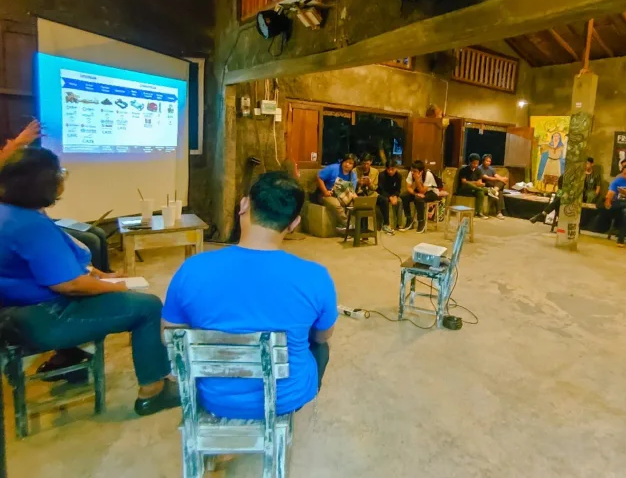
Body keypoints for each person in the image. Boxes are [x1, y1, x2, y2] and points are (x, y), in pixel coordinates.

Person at [0, 147, 179, 416]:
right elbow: (68, 284)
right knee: (148, 306)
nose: (63, 178)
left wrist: (98, 275)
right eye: (59, 173)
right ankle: (152, 391)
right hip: (44, 317)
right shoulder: (30, 226)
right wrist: (111, 287)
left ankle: (67, 358)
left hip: (17, 311)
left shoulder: (11, 212)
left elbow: (59, 259)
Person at [162, 172, 337, 419]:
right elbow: (322, 336)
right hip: (284, 398)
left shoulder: (192, 269)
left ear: (244, 205)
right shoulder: (316, 277)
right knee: (320, 344)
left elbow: (170, 337)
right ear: (294, 223)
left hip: (211, 396)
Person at [315, 154, 358, 230]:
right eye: (346, 162)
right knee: (336, 205)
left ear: (353, 166)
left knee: (355, 204)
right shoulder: (333, 168)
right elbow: (319, 177)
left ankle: (359, 228)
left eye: (350, 163)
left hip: (342, 196)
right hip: (327, 194)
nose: (347, 164)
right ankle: (347, 224)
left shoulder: (353, 175)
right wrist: (325, 191)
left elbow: (352, 190)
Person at [400, 160, 441, 233]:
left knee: (418, 199)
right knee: (404, 196)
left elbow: (423, 191)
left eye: (415, 171)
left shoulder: (428, 175)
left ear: (421, 171)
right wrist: (415, 194)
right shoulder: (411, 173)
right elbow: (408, 187)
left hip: (432, 192)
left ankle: (421, 221)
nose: (413, 173)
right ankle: (409, 219)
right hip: (419, 192)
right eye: (412, 170)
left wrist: (417, 179)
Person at [457, 153, 489, 219]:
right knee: (470, 185)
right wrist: (474, 182)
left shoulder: (478, 170)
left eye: (477, 163)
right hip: (465, 188)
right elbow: (464, 182)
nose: (476, 165)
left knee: (480, 193)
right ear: (470, 162)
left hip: (475, 189)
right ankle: (489, 191)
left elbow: (479, 182)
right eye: (474, 163)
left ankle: (479, 212)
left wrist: (479, 184)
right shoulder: (464, 170)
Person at [377, 159, 402, 234]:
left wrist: (395, 196)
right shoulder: (382, 175)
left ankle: (399, 224)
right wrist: (389, 197)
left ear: (396, 168)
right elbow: (381, 189)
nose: (390, 171)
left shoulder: (398, 176)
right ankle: (386, 224)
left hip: (393, 195)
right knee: (384, 200)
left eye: (392, 169)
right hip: (383, 195)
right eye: (388, 169)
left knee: (400, 202)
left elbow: (398, 189)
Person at [479, 154, 506, 219]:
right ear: (483, 161)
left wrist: (503, 179)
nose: (488, 163)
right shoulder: (479, 169)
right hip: (486, 186)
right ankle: (499, 212)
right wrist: (502, 179)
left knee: (500, 185)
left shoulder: (491, 169)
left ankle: (494, 190)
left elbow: (496, 175)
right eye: (487, 161)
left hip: (492, 186)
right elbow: (487, 178)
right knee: (500, 190)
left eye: (489, 161)